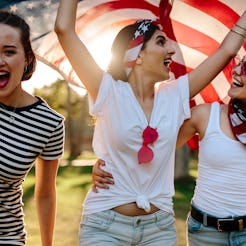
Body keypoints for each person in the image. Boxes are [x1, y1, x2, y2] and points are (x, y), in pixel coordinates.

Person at [55, 0, 246, 244]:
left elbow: (226, 51)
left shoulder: (174, 95)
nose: (172, 50)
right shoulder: (108, 91)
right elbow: (64, 30)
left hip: (159, 229)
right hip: (105, 226)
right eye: (160, 41)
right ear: (137, 55)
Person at [93, 55, 246, 245]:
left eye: (245, 68)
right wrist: (108, 164)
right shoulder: (206, 115)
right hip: (207, 233)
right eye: (239, 64)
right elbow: (152, 148)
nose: (237, 71)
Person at [0, 11, 65, 246]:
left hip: (6, 237)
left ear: (27, 57)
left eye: (9, 51)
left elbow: (46, 193)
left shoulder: (49, 123)